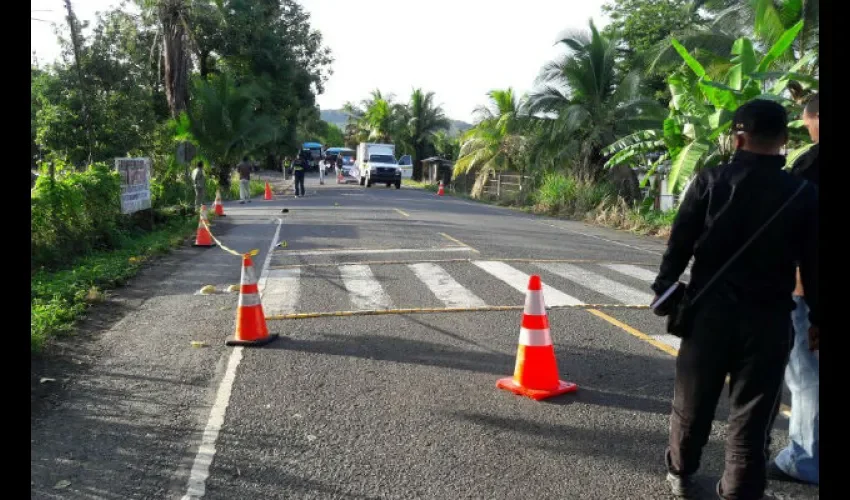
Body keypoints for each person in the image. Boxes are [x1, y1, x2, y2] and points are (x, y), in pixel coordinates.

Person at [653, 100, 819, 500]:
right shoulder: (803, 192)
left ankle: (681, 472)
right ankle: (740, 490)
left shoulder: (710, 180)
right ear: (783, 139)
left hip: (708, 314)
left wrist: (665, 288)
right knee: (753, 413)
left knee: (693, 401)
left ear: (737, 137)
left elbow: (680, 243)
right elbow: (814, 264)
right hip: (770, 318)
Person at [769, 93, 819, 485]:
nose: (806, 128)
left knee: (806, 377)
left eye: (808, 121)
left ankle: (804, 461)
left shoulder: (810, 166)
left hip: (808, 287)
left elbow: (793, 230)